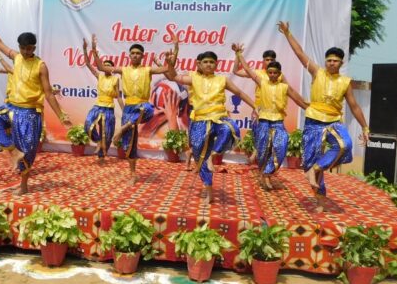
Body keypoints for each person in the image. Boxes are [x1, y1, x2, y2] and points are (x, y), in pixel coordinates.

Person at [0, 15, 72, 194]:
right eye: (23, 48)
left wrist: (62, 116)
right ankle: (12, 151)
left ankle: (24, 185)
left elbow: (48, 93)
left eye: (29, 48)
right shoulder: (16, 57)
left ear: (34, 47)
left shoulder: (41, 66)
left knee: (27, 149)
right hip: (11, 107)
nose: (25, 51)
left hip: (29, 113)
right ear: (19, 47)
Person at [277, 21, 370, 212]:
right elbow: (300, 54)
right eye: (329, 60)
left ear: (341, 63)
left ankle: (317, 168)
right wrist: (287, 33)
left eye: (335, 60)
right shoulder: (317, 72)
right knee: (310, 162)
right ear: (325, 61)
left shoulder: (345, 82)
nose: (331, 63)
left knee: (345, 144)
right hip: (313, 121)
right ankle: (320, 200)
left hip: (333, 121)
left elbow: (354, 106)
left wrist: (365, 127)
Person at [166, 51, 256, 204]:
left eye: (212, 62)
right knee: (199, 155)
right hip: (200, 120)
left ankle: (213, 156)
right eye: (205, 62)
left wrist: (255, 107)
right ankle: (209, 190)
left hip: (218, 118)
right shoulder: (193, 78)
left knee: (230, 129)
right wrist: (169, 63)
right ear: (199, 64)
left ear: (216, 64)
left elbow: (239, 93)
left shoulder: (223, 80)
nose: (209, 64)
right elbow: (174, 76)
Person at [91, 36, 175, 185]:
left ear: (142, 56)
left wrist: (174, 52)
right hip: (129, 108)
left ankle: (123, 128)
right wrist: (93, 51)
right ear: (129, 55)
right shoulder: (123, 69)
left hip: (142, 105)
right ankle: (133, 174)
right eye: (133, 53)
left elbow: (167, 69)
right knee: (128, 145)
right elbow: (102, 68)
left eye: (138, 53)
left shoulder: (147, 70)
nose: (135, 55)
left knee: (147, 109)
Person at [234, 44, 309, 190]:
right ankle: (263, 173)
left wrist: (311, 108)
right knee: (262, 150)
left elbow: (298, 99)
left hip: (278, 122)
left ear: (279, 73)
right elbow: (247, 70)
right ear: (267, 71)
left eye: (276, 72)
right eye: (271, 72)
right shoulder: (261, 81)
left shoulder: (284, 86)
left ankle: (267, 173)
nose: (273, 75)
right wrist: (238, 54)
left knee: (281, 146)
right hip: (261, 118)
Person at [82, 37, 124, 163]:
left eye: (108, 66)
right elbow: (89, 64)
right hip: (98, 107)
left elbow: (118, 97)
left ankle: (101, 156)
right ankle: (98, 141)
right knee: (88, 125)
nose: (105, 67)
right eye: (104, 65)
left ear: (111, 69)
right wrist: (85, 49)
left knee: (107, 133)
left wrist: (125, 111)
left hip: (109, 109)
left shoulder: (116, 79)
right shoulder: (99, 76)